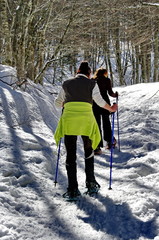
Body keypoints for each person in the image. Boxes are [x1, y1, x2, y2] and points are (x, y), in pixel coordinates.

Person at [54, 61, 117, 200]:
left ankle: (72, 189)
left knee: (70, 154)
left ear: (77, 71)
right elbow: (100, 102)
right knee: (88, 151)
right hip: (86, 121)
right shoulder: (91, 84)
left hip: (69, 121)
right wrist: (111, 108)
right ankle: (91, 184)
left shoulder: (66, 83)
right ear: (89, 74)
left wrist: (67, 103)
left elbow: (57, 103)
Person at [92, 68, 118, 155]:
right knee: (106, 122)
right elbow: (110, 93)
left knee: (97, 123)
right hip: (105, 102)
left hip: (95, 103)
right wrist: (115, 95)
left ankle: (97, 145)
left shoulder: (93, 80)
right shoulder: (107, 80)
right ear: (105, 73)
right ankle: (110, 141)